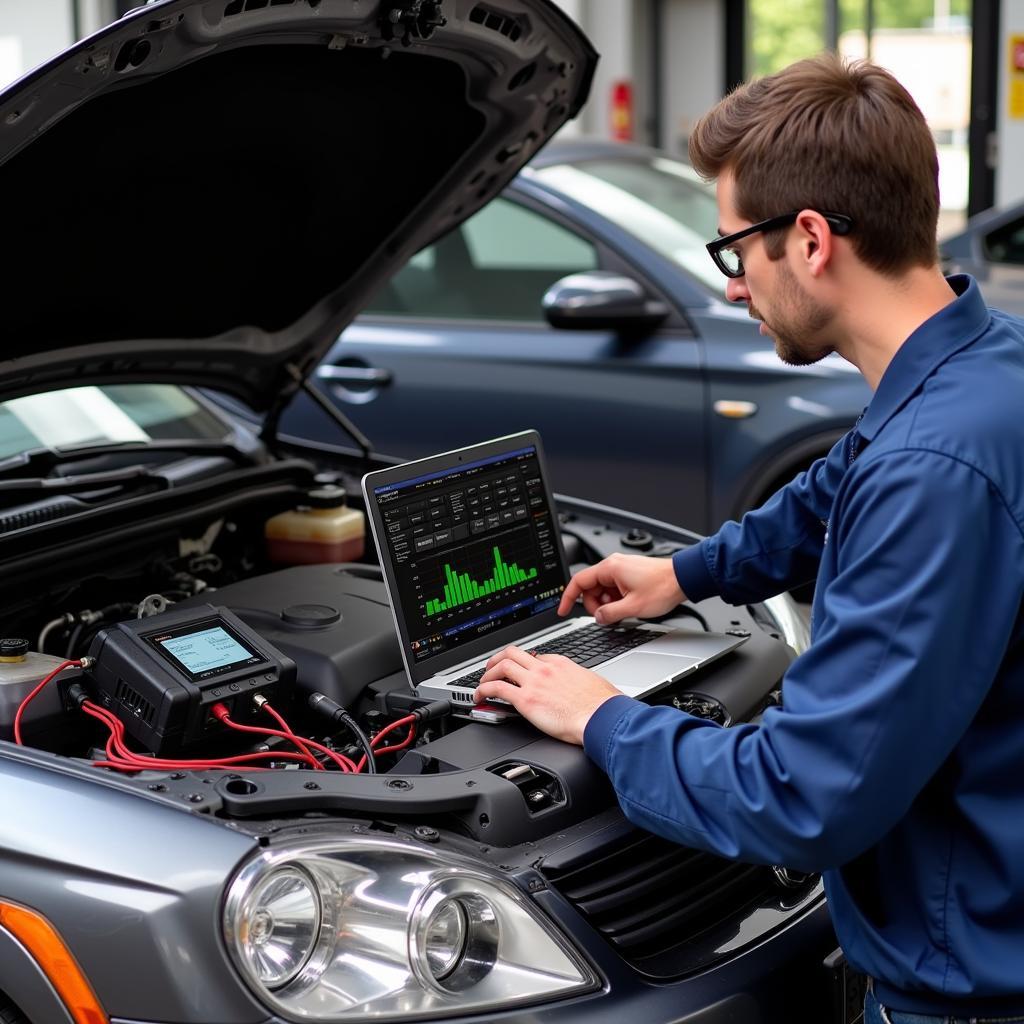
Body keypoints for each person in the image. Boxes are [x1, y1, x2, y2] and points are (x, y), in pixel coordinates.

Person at [474, 53, 1024, 1023]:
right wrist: (682, 574)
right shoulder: (984, 363)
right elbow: (835, 486)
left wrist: (600, 715)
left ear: (809, 240)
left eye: (733, 252)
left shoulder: (933, 467)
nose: (730, 287)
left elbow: (805, 796)